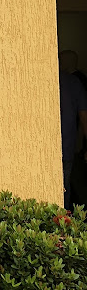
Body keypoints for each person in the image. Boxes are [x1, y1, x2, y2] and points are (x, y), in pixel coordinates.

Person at [59, 66, 87, 211]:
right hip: (67, 147)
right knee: (64, 189)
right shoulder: (73, 81)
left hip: (49, 149)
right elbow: (84, 117)